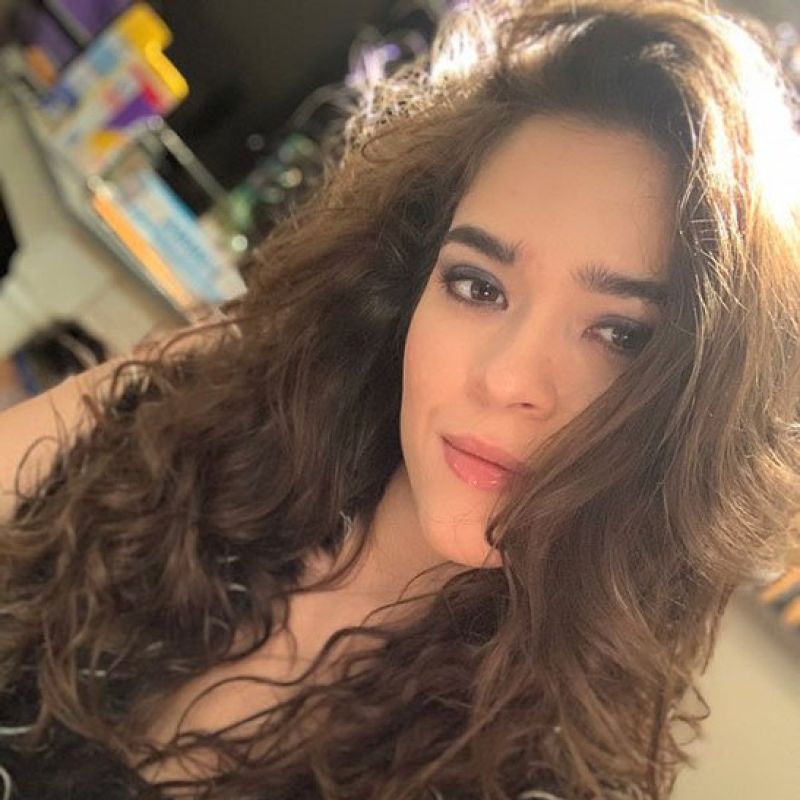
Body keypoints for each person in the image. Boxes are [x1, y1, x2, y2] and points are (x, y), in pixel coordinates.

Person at [1, 0, 799, 798]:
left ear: (699, 413)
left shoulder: (526, 778)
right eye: (477, 285)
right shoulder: (177, 417)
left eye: (621, 335)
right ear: (406, 280)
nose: (507, 379)